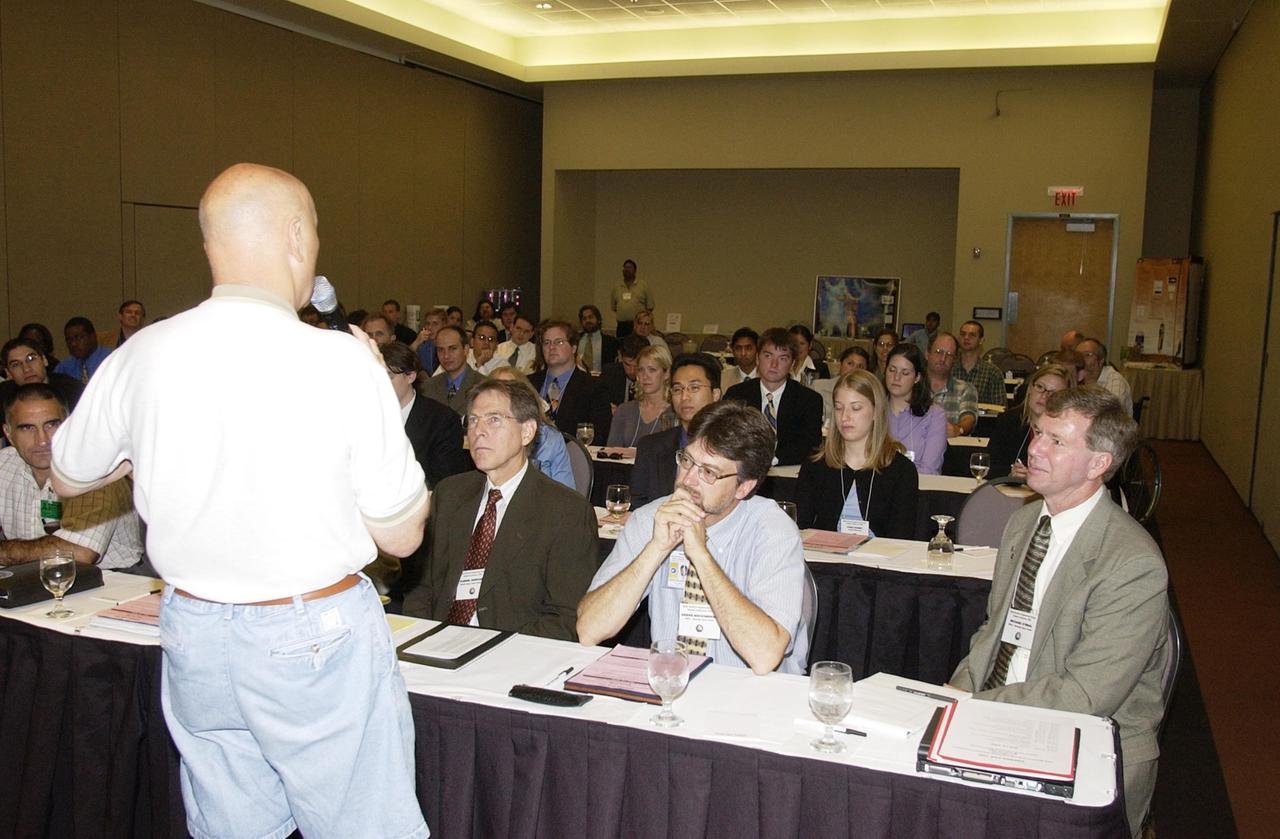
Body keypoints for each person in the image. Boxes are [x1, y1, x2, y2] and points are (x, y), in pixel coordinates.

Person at [50, 163, 430, 839]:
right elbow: (401, 535)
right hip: (311, 631)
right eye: (313, 230)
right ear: (294, 235)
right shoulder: (340, 362)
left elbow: (70, 474)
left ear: (210, 247)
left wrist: (153, 449)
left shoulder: (143, 353)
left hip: (195, 629)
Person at [950, 386, 1168, 838]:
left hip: (1087, 744)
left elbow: (1086, 697)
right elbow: (996, 631)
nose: (1035, 449)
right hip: (1004, 712)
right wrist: (952, 697)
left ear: (1097, 465)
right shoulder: (1024, 521)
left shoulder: (1132, 563)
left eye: (1056, 441)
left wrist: (975, 709)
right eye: (1037, 434)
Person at [578, 401, 810, 674]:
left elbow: (764, 656)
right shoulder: (652, 518)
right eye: (687, 461)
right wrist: (656, 548)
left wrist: (701, 555)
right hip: (671, 686)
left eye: (708, 472)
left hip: (753, 696)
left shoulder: (773, 531)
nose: (687, 480)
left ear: (744, 487)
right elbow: (588, 630)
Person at [403, 379, 597, 640]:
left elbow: (565, 617)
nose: (478, 431)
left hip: (512, 653)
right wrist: (422, 637)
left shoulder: (566, 511)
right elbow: (421, 589)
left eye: (493, 420)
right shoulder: (449, 494)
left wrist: (494, 648)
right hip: (439, 644)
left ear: (527, 432)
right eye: (472, 420)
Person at [0, 384, 142, 569]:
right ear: (9, 434)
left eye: (51, 425)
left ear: (70, 425)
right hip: (31, 580)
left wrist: (6, 552)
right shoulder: (5, 463)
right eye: (27, 428)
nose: (42, 440)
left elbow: (78, 553)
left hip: (114, 583)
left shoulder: (95, 468)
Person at [794, 371, 918, 539]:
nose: (845, 417)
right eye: (838, 408)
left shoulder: (901, 471)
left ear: (876, 412)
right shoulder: (815, 466)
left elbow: (902, 539)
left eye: (856, 408)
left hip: (878, 562)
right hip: (824, 561)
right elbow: (799, 530)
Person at [631, 352, 721, 508]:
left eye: (694, 387)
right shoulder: (650, 447)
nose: (685, 396)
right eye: (677, 389)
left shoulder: (735, 449)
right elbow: (637, 505)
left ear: (715, 394)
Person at [724, 328, 823, 466]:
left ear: (792, 364)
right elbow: (728, 437)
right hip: (744, 468)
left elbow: (809, 445)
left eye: (782, 358)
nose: (774, 364)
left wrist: (771, 460)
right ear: (758, 358)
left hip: (789, 471)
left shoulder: (809, 400)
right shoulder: (736, 395)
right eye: (768, 356)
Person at [381, 342, 470, 488]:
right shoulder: (365, 417)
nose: (380, 383)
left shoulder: (442, 420)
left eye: (389, 376)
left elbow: (444, 481)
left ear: (410, 376)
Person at [488, 367, 575, 489]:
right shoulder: (482, 436)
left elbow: (568, 494)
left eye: (511, 391)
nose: (503, 398)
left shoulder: (549, 438)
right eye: (496, 391)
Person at [988, 363, 1075, 479]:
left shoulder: (1070, 431)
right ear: (1030, 389)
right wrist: (1010, 473)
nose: (1044, 396)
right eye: (1040, 387)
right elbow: (988, 465)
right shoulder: (1008, 420)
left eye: (1053, 393)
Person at [529, 320, 613, 442]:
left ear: (574, 347)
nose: (551, 347)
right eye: (546, 343)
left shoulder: (593, 387)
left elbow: (599, 435)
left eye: (559, 342)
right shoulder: (528, 383)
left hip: (572, 456)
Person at [884, 343, 948, 476]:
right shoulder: (872, 410)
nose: (896, 377)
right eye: (892, 370)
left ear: (917, 377)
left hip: (919, 488)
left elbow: (930, 470)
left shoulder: (935, 415)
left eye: (905, 373)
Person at [606, 344, 676, 447]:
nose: (645, 376)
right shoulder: (624, 410)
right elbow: (611, 452)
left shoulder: (675, 413)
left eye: (652, 370)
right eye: (641, 370)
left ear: (666, 374)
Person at [0, 337, 85, 414]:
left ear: (44, 360)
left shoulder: (72, 390)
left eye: (31, 359)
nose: (26, 369)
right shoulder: (3, 397)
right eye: (16, 364)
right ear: (8, 373)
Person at [421, 324, 482, 414]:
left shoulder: (484, 386)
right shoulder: (428, 387)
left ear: (466, 349)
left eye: (452, 349)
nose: (446, 356)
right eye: (441, 350)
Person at [926, 332, 978, 437]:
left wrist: (958, 429)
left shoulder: (966, 389)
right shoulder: (911, 385)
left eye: (949, 355)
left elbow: (969, 418)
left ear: (954, 360)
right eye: (938, 352)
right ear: (927, 354)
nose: (943, 359)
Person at [952, 320, 1006, 405]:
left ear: (981, 340)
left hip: (982, 417)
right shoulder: (949, 368)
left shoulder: (992, 373)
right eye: (963, 334)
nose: (966, 338)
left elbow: (999, 408)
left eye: (972, 335)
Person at [1078, 338, 1133, 415]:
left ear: (1101, 361)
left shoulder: (1115, 380)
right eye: (1078, 355)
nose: (1081, 359)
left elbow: (1111, 412)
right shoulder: (1075, 378)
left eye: (1088, 355)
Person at [54, 316, 111, 383]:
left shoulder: (110, 359)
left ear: (93, 337)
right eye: (69, 340)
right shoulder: (64, 367)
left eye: (78, 337)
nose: (73, 344)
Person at [610, 258, 654, 338]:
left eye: (630, 267)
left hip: (638, 326)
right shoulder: (616, 286)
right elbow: (614, 307)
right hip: (622, 326)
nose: (627, 270)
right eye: (625, 267)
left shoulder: (643, 285)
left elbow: (650, 306)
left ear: (635, 270)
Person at [600, 334, 648, 407]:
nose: (631, 371)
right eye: (627, 364)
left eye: (637, 366)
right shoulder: (609, 373)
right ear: (620, 357)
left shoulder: (653, 378)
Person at [577, 304, 619, 373]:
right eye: (584, 319)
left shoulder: (610, 341)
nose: (587, 321)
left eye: (590, 317)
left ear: (598, 320)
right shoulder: (576, 339)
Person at [411, 307, 446, 374]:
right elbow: (403, 359)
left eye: (435, 324)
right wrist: (416, 342)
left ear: (444, 325)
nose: (430, 327)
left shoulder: (451, 344)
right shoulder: (422, 345)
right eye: (427, 324)